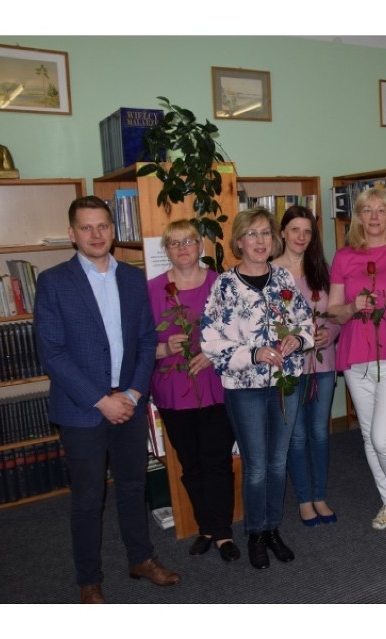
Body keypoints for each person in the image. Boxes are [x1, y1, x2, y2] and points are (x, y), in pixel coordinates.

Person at [34, 196, 180, 604]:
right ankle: (89, 580)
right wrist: (102, 400)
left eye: (103, 226)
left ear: (113, 231)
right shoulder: (54, 282)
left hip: (130, 402)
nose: (96, 235)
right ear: (72, 234)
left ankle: (141, 558)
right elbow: (52, 354)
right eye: (86, 227)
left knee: (134, 486)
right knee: (87, 497)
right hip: (83, 408)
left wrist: (132, 393)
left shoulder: (133, 279)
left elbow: (147, 339)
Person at [201, 207, 314, 570]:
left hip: (285, 384)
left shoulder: (283, 277)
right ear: (238, 242)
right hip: (245, 387)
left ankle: (272, 530)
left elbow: (306, 320)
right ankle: (254, 532)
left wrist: (298, 338)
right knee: (257, 466)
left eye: (266, 233)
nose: (260, 241)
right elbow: (210, 341)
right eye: (252, 234)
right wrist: (253, 353)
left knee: (279, 463)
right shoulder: (225, 285)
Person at [147, 220, 239, 561]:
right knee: (190, 465)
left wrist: (213, 353)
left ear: (201, 246)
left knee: (217, 462)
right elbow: (140, 344)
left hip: (216, 385)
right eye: (174, 242)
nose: (182, 247)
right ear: (166, 251)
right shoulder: (152, 289)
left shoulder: (222, 283)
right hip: (172, 390)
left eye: (189, 241)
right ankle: (206, 527)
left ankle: (224, 533)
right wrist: (164, 349)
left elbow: (240, 333)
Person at [327, 188, 386, 532]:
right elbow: (334, 312)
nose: (374, 217)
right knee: (367, 436)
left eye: (382, 210)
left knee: (384, 437)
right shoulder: (344, 256)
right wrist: (352, 308)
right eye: (367, 210)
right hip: (355, 355)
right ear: (359, 217)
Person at [274, 206, 340, 526]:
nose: (301, 237)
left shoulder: (320, 269)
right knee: (296, 435)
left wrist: (331, 333)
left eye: (308, 231)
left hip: (323, 363)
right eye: (295, 229)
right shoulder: (270, 272)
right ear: (283, 232)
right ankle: (303, 498)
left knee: (320, 432)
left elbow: (336, 313)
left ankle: (319, 494)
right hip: (289, 368)